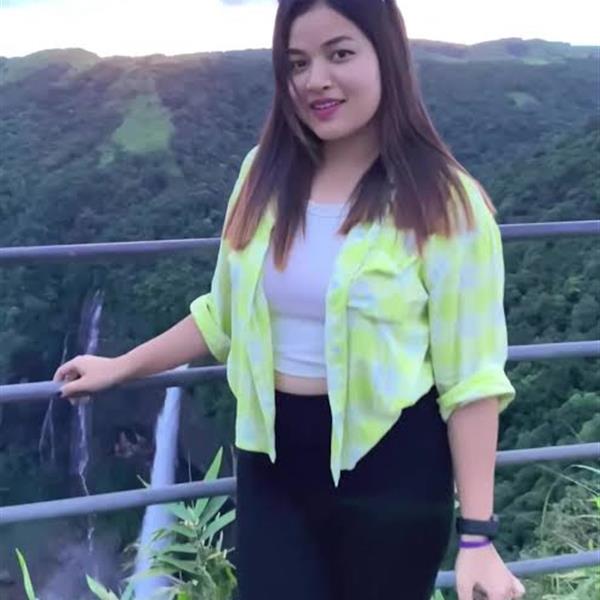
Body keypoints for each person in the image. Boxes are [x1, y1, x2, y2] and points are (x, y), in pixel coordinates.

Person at [53, 1, 527, 599]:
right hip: (270, 462)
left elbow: (472, 379)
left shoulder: (445, 202)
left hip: (393, 472)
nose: (315, 80)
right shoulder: (261, 175)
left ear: (388, 56)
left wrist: (479, 537)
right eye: (297, 62)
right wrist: (121, 367)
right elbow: (222, 316)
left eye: (340, 53)